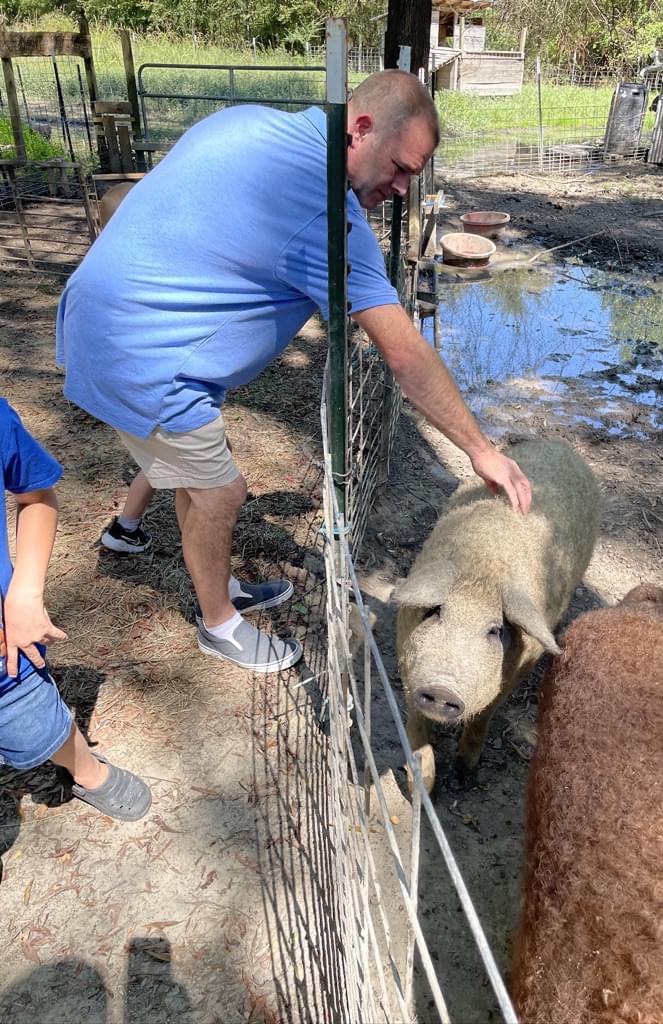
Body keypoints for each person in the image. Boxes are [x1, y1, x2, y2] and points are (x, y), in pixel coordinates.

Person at [56, 70, 532, 675]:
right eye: (403, 168)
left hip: (107, 320)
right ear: (360, 128)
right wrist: (480, 449)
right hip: (143, 355)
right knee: (220, 491)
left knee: (197, 478)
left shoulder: (249, 120)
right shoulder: (328, 211)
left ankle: (218, 586)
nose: (404, 188)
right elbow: (404, 354)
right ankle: (219, 626)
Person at [0, 399, 151, 821]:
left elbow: (36, 495)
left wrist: (26, 591)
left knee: (37, 725)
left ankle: (86, 771)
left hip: (5, 659)